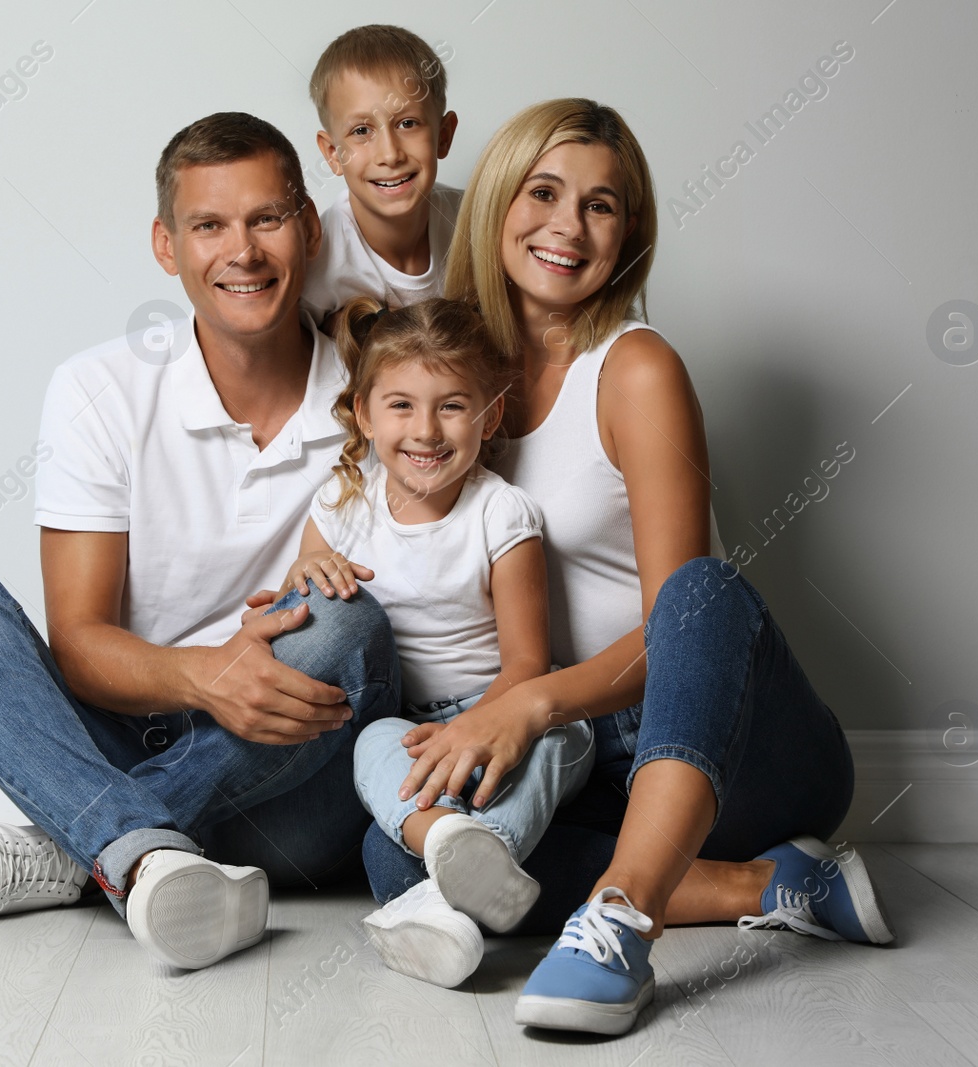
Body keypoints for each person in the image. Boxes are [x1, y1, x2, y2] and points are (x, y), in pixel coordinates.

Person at [359, 98, 894, 1036]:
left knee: (701, 591)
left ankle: (622, 917)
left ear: (628, 235)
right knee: (397, 853)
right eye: (545, 192)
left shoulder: (636, 368)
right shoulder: (449, 381)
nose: (567, 226)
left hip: (729, 740)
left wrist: (528, 702)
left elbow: (685, 629)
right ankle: (773, 881)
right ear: (495, 205)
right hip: (584, 756)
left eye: (602, 206)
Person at [0, 112, 401, 972]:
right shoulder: (99, 388)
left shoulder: (386, 394)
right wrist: (206, 675)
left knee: (350, 625)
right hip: (122, 733)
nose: (242, 250)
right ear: (167, 247)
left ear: (310, 229)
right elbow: (81, 642)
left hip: (293, 787)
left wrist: (252, 678)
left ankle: (87, 847)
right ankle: (144, 849)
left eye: (267, 219)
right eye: (209, 225)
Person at [278, 295, 594, 988]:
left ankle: (465, 873)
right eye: (401, 406)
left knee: (567, 738)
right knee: (370, 744)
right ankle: (453, 844)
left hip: (502, 710)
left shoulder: (502, 514)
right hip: (411, 732)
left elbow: (528, 666)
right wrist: (304, 573)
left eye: (452, 405)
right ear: (363, 413)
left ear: (490, 414)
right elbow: (304, 602)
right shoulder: (342, 505)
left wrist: (486, 728)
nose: (426, 430)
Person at [301, 24, 462, 322]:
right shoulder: (316, 269)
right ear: (333, 154)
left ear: (443, 136)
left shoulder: (475, 222)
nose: (390, 154)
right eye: (361, 130)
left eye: (408, 123)